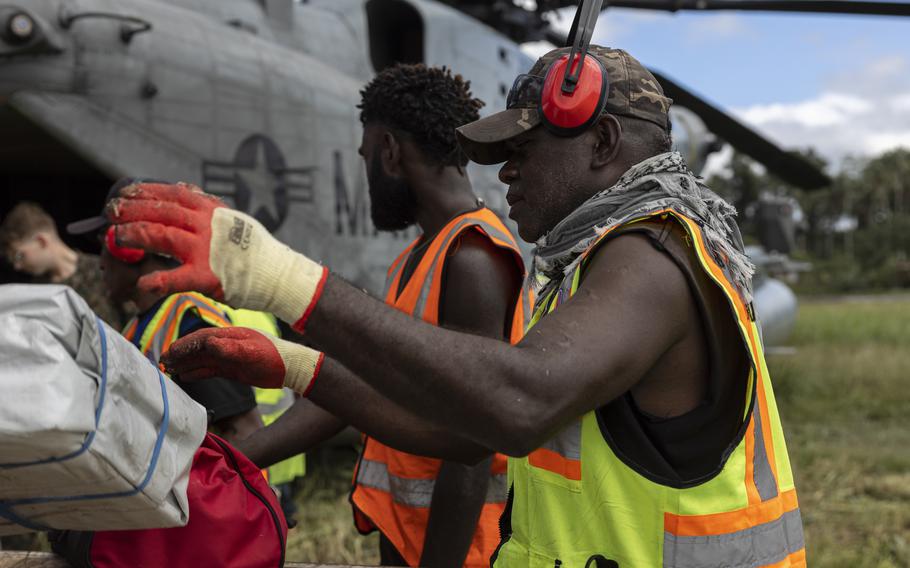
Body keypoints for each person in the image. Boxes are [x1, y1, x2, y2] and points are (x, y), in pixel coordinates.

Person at [111, 46, 804, 567]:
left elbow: (518, 401)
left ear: (602, 143)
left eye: (525, 149)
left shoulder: (652, 253)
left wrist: (281, 279)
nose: (504, 172)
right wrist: (296, 365)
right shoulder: (593, 269)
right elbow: (473, 431)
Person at [232, 64, 528, 567]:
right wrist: (235, 462)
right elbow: (357, 391)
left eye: (367, 156)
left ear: (390, 151)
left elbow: (472, 449)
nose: (366, 172)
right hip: (412, 539)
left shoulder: (474, 258)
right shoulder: (417, 258)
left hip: (459, 551)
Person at [68, 179, 266, 446]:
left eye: (105, 243)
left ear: (132, 248)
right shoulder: (139, 327)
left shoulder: (190, 322)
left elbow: (243, 429)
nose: (100, 262)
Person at [0, 201, 124, 328]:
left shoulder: (102, 270)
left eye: (19, 256)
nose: (17, 266)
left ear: (41, 241)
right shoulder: (37, 293)